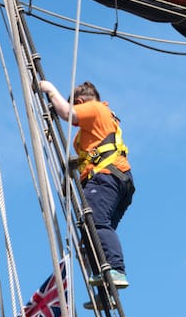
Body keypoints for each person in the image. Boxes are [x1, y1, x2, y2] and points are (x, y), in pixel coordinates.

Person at [39, 78, 134, 288]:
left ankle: (116, 270)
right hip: (116, 179)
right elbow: (85, 161)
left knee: (97, 223)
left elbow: (67, 113)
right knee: (93, 233)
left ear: (80, 102)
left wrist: (49, 89)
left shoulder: (96, 109)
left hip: (107, 177)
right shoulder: (91, 133)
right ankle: (106, 285)